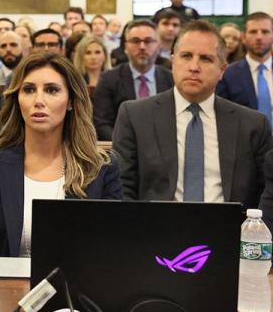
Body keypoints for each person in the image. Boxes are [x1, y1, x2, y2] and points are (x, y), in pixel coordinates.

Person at [0, 53, 122, 257]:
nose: (38, 100)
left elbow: (111, 247)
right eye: (28, 90)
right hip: (1, 284)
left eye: (51, 90)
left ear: (71, 101)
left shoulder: (101, 168)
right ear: (17, 99)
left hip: (75, 286)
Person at [113, 20, 272, 205]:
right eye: (186, 56)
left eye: (206, 58)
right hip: (156, 228)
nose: (194, 67)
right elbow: (123, 187)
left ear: (222, 70)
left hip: (230, 229)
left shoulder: (252, 124)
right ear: (173, 63)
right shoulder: (135, 116)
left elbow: (266, 194)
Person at [92, 19, 174, 141]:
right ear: (125, 47)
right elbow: (102, 123)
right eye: (135, 41)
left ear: (158, 46)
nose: (142, 47)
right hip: (122, 151)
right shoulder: (109, 80)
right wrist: (125, 144)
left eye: (148, 41)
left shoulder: (171, 80)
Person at [217, 12, 273, 119]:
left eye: (265, 32)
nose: (259, 37)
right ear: (243, 37)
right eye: (253, 32)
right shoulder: (228, 75)